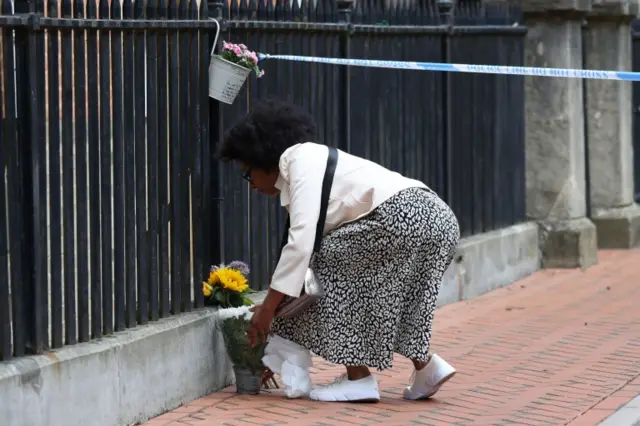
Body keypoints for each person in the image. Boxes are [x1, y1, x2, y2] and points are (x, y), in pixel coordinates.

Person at [216, 98, 460, 403]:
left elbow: (302, 245)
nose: (250, 184)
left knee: (320, 267)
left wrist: (267, 310)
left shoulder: (299, 160)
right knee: (400, 293)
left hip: (401, 217)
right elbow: (297, 260)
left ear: (262, 157)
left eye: (247, 172)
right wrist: (275, 323)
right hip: (438, 217)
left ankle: (358, 379)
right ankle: (427, 368)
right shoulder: (312, 165)